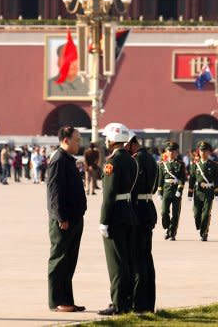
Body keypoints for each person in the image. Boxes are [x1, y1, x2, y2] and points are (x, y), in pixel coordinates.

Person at [97, 123, 139, 317]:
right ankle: (127, 300)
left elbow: (109, 194)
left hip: (115, 216)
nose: (106, 141)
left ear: (112, 140)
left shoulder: (113, 161)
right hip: (128, 212)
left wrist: (103, 220)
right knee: (127, 260)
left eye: (107, 138)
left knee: (116, 263)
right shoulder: (131, 160)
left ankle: (118, 303)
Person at [46, 126, 87, 313]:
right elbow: (54, 192)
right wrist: (61, 216)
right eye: (77, 140)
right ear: (66, 140)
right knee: (59, 260)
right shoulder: (58, 160)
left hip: (74, 219)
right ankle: (56, 301)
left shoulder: (68, 160)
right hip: (63, 220)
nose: (79, 143)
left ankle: (68, 300)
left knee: (69, 261)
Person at [131, 134, 157, 313]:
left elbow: (132, 188)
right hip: (149, 208)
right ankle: (149, 301)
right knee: (147, 258)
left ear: (132, 144)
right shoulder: (152, 160)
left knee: (138, 259)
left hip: (138, 211)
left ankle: (139, 303)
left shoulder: (136, 161)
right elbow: (155, 187)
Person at [188, 141, 218, 241]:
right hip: (198, 191)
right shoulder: (195, 165)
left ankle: (204, 233)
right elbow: (192, 179)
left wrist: (217, 193)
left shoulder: (214, 165)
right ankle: (200, 226)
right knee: (196, 213)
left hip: (209, 191)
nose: (203, 152)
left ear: (209, 152)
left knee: (206, 213)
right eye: (201, 150)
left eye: (205, 151)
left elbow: (217, 179)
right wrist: (189, 193)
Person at [157, 142, 185, 241]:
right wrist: (159, 192)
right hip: (166, 190)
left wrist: (179, 190)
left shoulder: (181, 164)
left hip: (176, 191)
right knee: (164, 212)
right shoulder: (162, 164)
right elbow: (160, 179)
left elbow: (182, 178)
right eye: (169, 151)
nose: (171, 153)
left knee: (175, 213)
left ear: (177, 152)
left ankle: (172, 233)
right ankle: (168, 228)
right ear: (166, 152)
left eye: (173, 151)